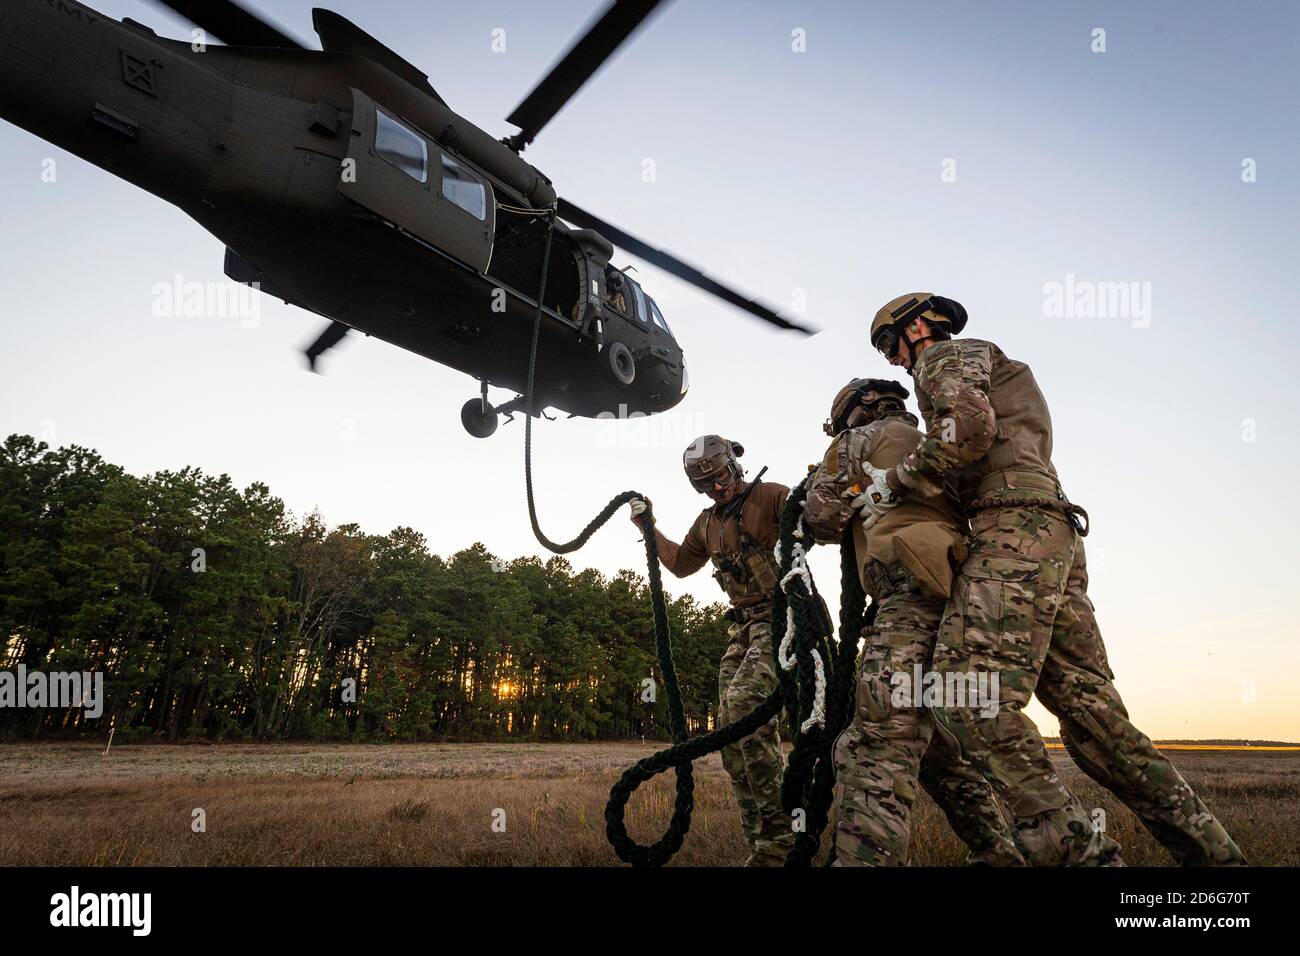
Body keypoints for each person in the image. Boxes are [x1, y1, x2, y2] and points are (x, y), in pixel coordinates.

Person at [858, 292, 1245, 866]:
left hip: (1010, 529)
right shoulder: (992, 362)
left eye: (891, 345)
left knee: (966, 699)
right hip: (1050, 530)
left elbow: (968, 427)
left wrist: (897, 481)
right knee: (1094, 722)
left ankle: (1086, 859)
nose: (893, 361)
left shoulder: (948, 357)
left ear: (918, 326)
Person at [804, 378, 1026, 866]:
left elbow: (821, 519)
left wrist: (812, 492)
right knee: (940, 753)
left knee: (877, 741)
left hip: (908, 598)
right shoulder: (930, 443)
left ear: (849, 415)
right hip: (962, 597)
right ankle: (999, 855)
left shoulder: (856, 442)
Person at [629, 435, 793, 865]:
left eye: (720, 478)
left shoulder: (774, 497)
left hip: (785, 620)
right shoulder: (707, 524)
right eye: (707, 486)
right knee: (727, 728)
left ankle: (783, 840)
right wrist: (650, 528)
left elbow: (819, 528)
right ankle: (761, 844)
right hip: (742, 631)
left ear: (735, 466)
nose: (718, 489)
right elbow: (681, 564)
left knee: (744, 706)